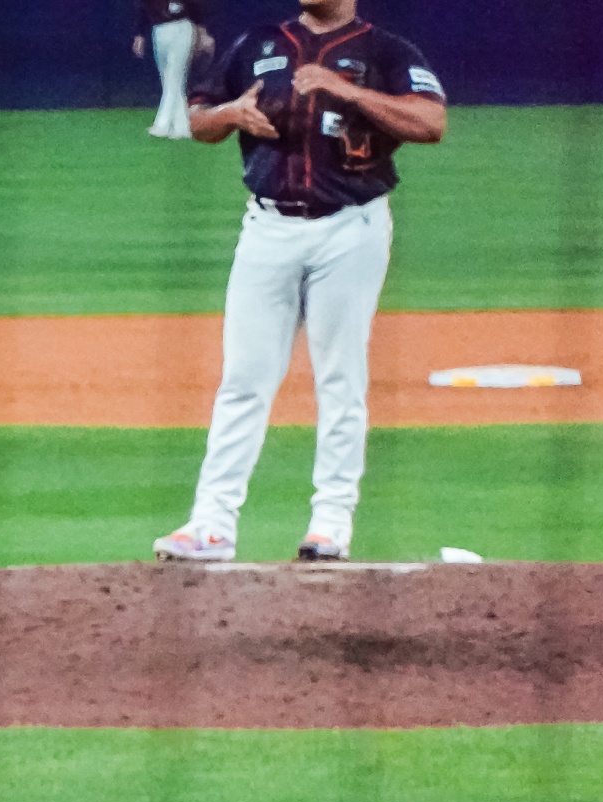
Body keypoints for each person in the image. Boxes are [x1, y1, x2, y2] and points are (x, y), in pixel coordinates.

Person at [152, 0, 446, 564]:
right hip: (266, 229)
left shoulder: (385, 51)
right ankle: (212, 524)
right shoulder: (257, 43)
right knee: (243, 380)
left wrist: (348, 92)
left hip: (350, 229)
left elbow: (430, 123)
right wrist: (232, 114)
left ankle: (331, 524)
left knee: (340, 379)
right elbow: (199, 119)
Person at [134, 0, 214, 140]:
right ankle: (182, 127)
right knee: (168, 80)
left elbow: (195, 5)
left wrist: (202, 32)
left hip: (181, 27)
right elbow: (144, 6)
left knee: (174, 78)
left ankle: (162, 125)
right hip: (159, 28)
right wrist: (140, 34)